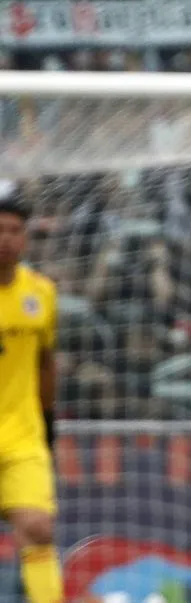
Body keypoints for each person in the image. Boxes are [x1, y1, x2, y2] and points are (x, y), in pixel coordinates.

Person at [0, 196, 63, 603]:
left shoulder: (41, 293)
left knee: (39, 528)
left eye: (14, 230)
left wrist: (48, 419)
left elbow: (46, 363)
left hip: (22, 436)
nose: (5, 239)